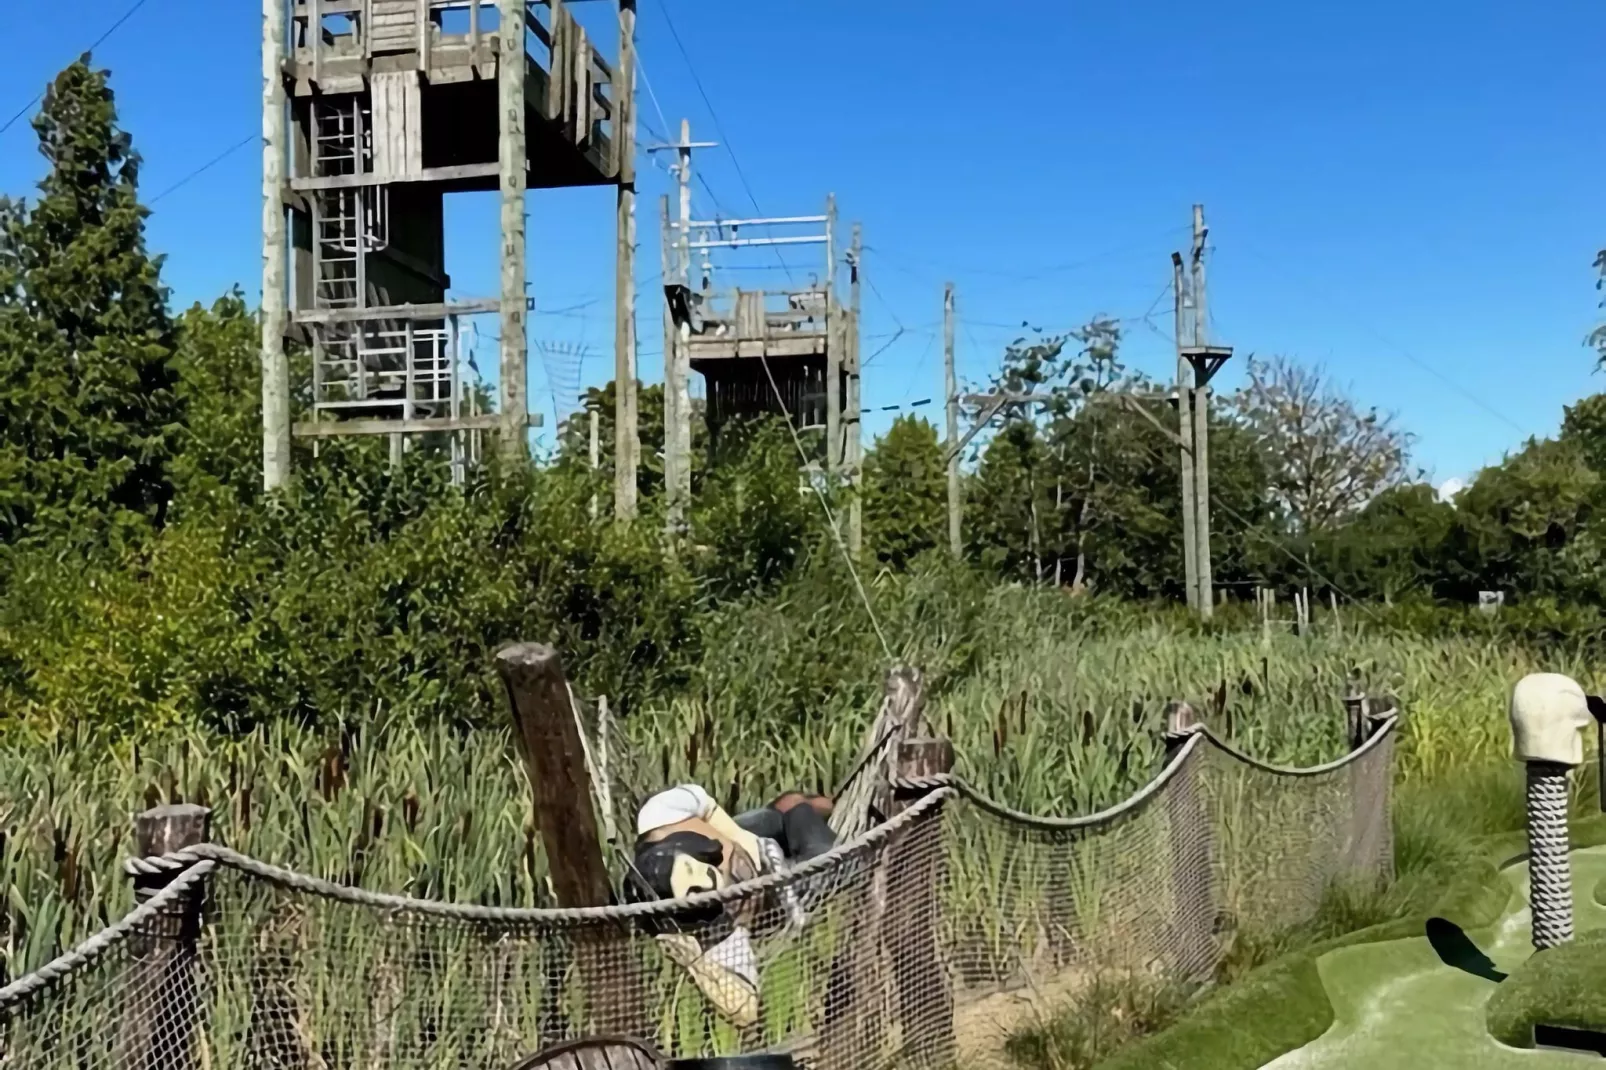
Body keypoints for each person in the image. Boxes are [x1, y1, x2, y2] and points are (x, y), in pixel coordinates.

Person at [628, 784, 836, 1026]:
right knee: (836, 861)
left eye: (698, 866)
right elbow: (745, 1011)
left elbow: (702, 801)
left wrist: (737, 836)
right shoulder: (716, 930)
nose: (715, 877)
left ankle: (789, 806)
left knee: (774, 816)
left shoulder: (661, 813)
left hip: (749, 837)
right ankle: (798, 810)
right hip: (779, 893)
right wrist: (695, 963)